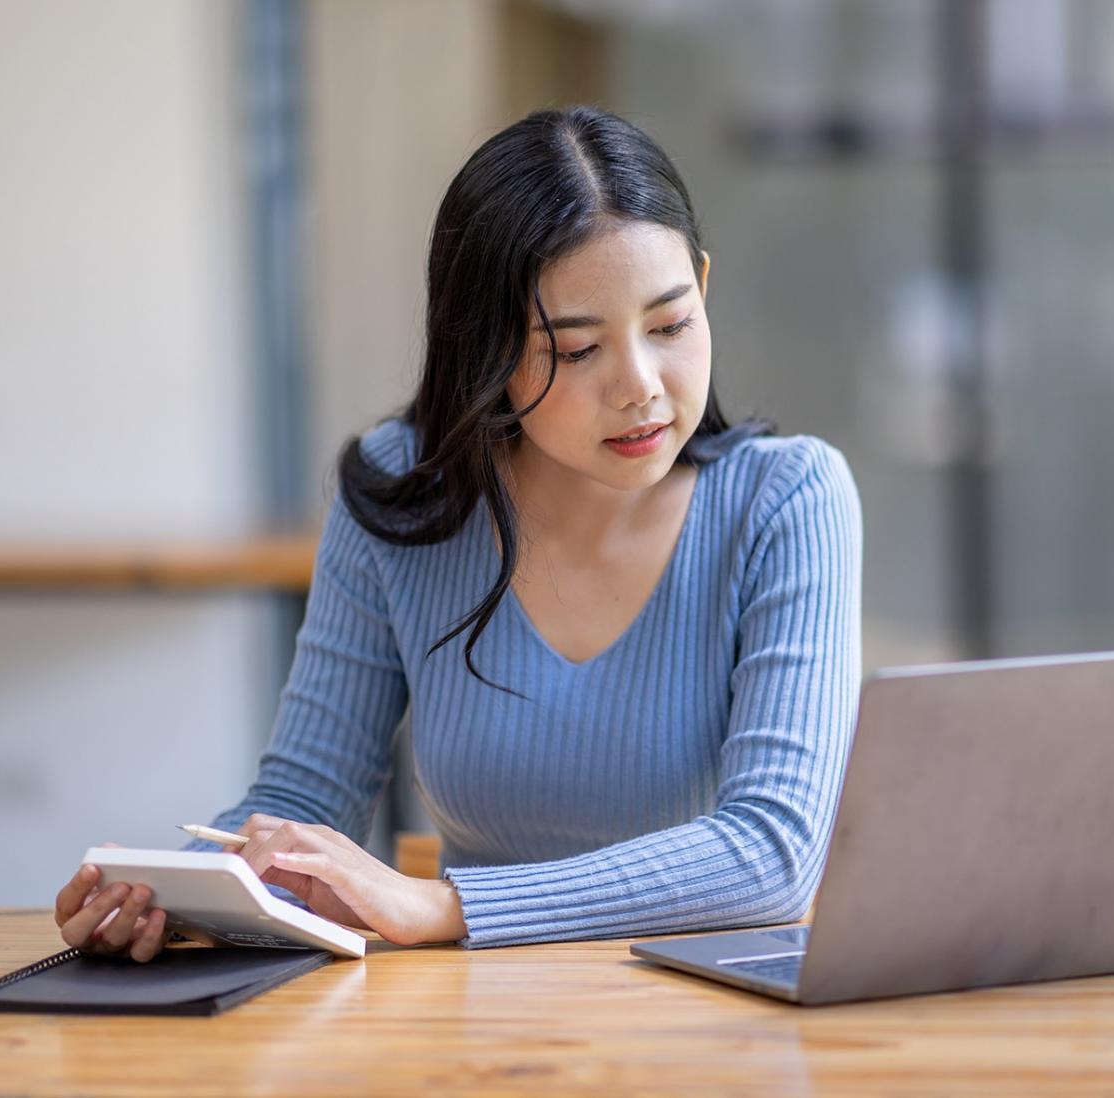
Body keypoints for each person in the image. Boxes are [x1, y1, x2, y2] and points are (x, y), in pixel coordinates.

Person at [51, 105, 863, 961]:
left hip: (712, 1019)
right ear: (486, 351)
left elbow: (773, 855)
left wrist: (444, 907)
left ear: (702, 287)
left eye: (669, 326)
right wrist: (170, 896)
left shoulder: (787, 499)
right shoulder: (402, 495)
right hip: (471, 1032)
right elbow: (305, 797)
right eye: (576, 350)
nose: (640, 387)